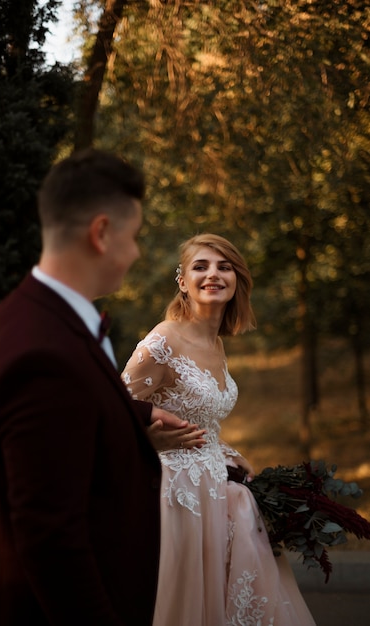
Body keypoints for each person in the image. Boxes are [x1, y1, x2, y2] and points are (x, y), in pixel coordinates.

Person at [0, 149, 204, 626]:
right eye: (133, 237)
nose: (136, 253)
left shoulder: (21, 315)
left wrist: (140, 415)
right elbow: (51, 539)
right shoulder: (45, 353)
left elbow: (53, 421)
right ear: (102, 233)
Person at [122, 233, 317, 626]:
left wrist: (226, 451)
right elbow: (109, 407)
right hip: (177, 496)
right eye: (201, 266)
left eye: (224, 266)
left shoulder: (216, 343)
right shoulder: (164, 339)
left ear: (237, 280)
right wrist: (146, 437)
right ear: (182, 282)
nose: (214, 274)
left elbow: (200, 418)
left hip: (216, 491)